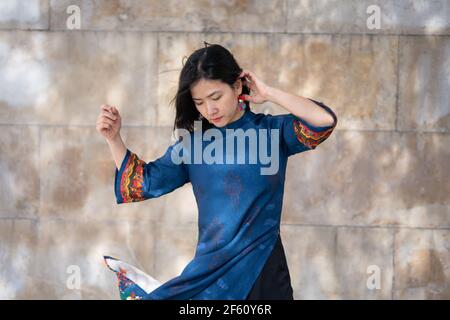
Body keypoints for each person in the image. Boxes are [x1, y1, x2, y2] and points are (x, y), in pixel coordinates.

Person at [96, 42, 337, 300]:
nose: (209, 110)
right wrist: (114, 139)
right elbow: (141, 184)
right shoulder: (192, 145)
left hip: (263, 271)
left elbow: (324, 121)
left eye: (216, 97)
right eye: (199, 102)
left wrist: (268, 93)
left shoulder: (271, 133)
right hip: (210, 276)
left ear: (236, 87)